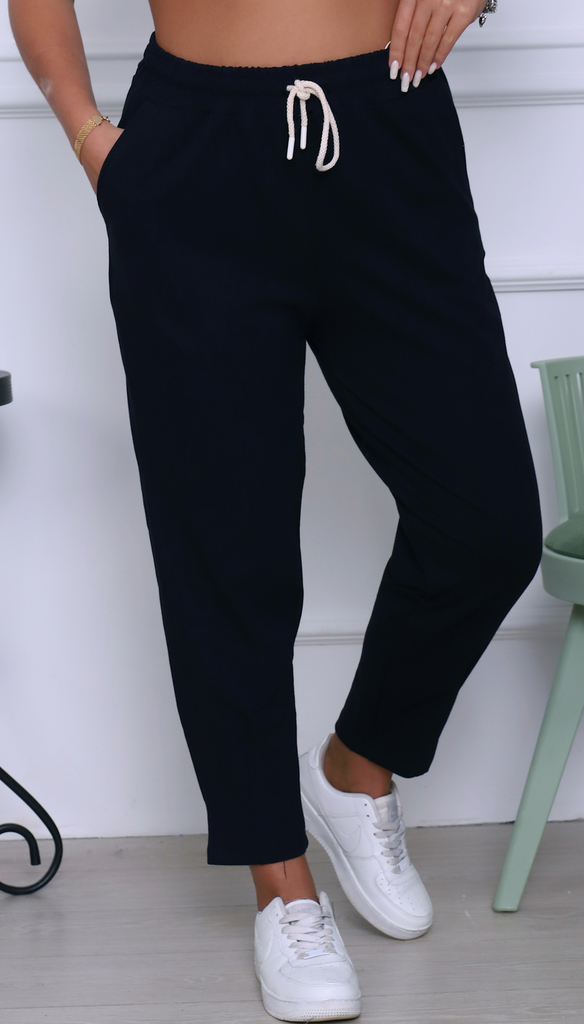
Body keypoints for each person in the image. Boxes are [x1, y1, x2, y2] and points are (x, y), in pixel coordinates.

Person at [10, 0, 542, 1020]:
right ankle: (281, 883)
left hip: (388, 120)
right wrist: (89, 136)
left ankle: (354, 768)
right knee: (226, 545)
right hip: (193, 155)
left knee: (487, 521)